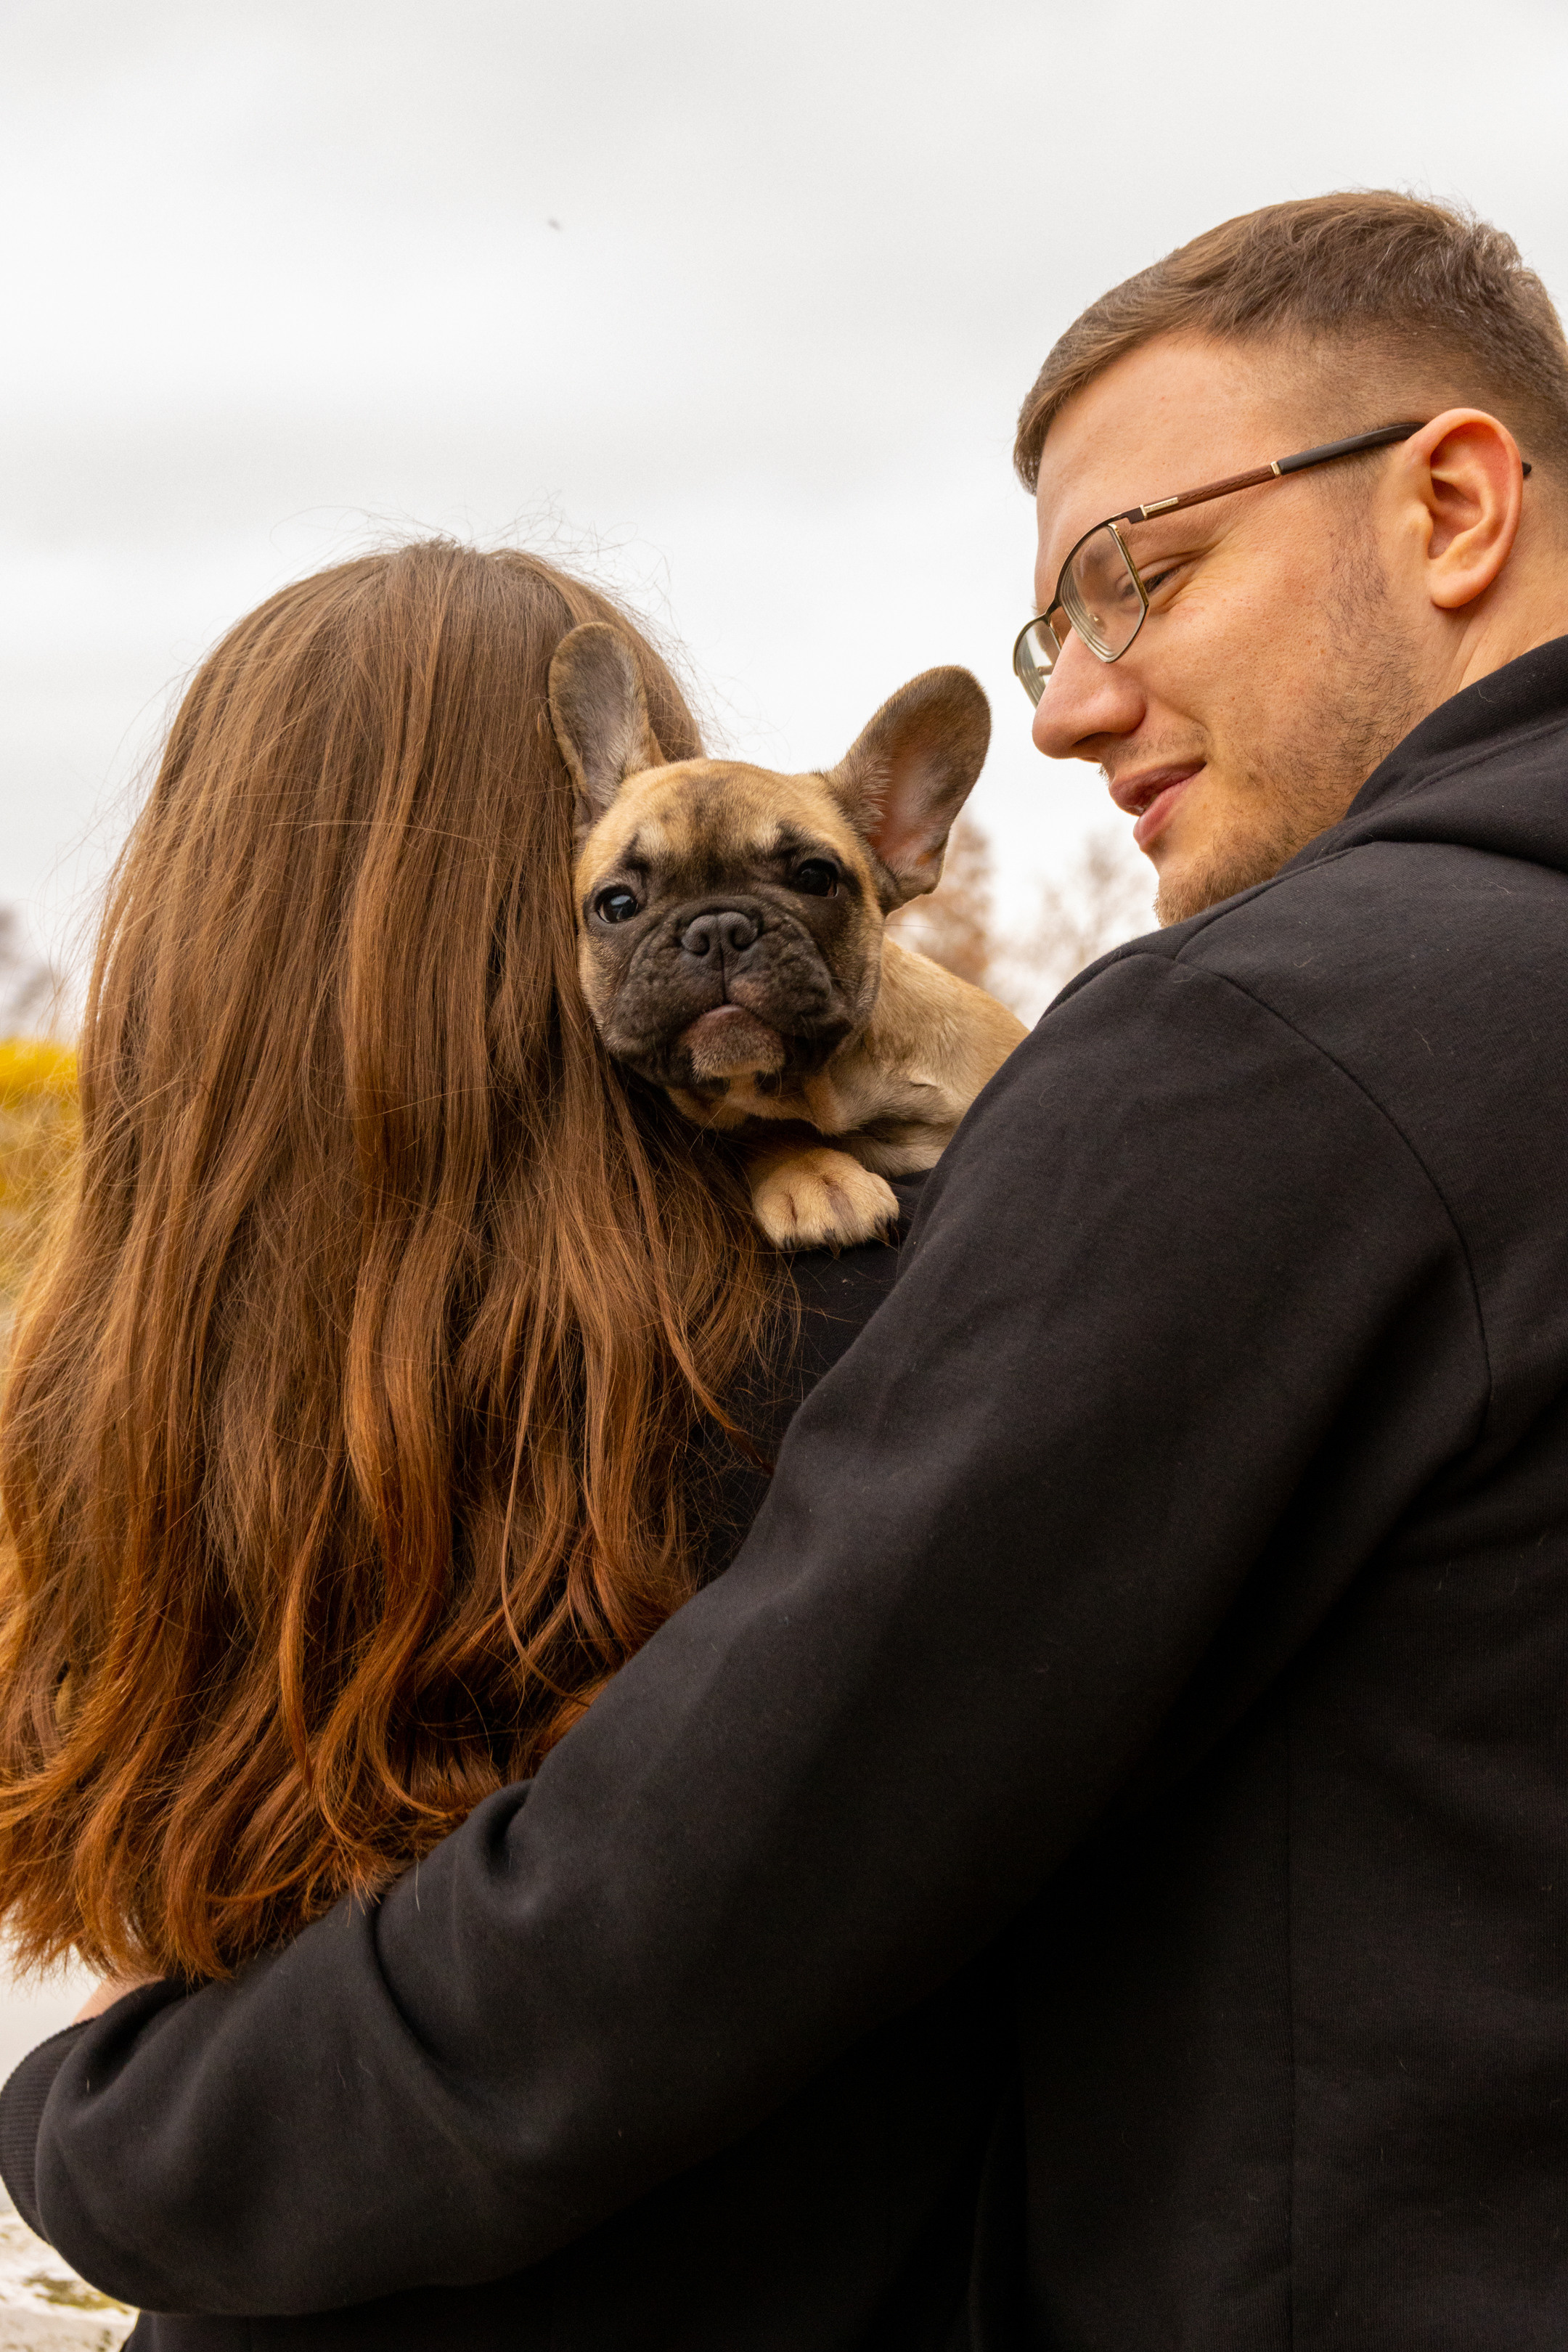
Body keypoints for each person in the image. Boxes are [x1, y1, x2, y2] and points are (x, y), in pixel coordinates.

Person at [9, 184, 1568, 2348]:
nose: (1078, 705)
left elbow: (702, 1892)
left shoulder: (1276, 1046)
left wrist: (110, 2132)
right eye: (1054, 630)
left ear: (1459, 503)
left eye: (1147, 576)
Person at [0, 542, 1005, 2346]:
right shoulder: (880, 1342)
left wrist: (99, 2127)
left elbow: (149, 1923)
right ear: (537, 921)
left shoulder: (93, 1396)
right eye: (629, 896)